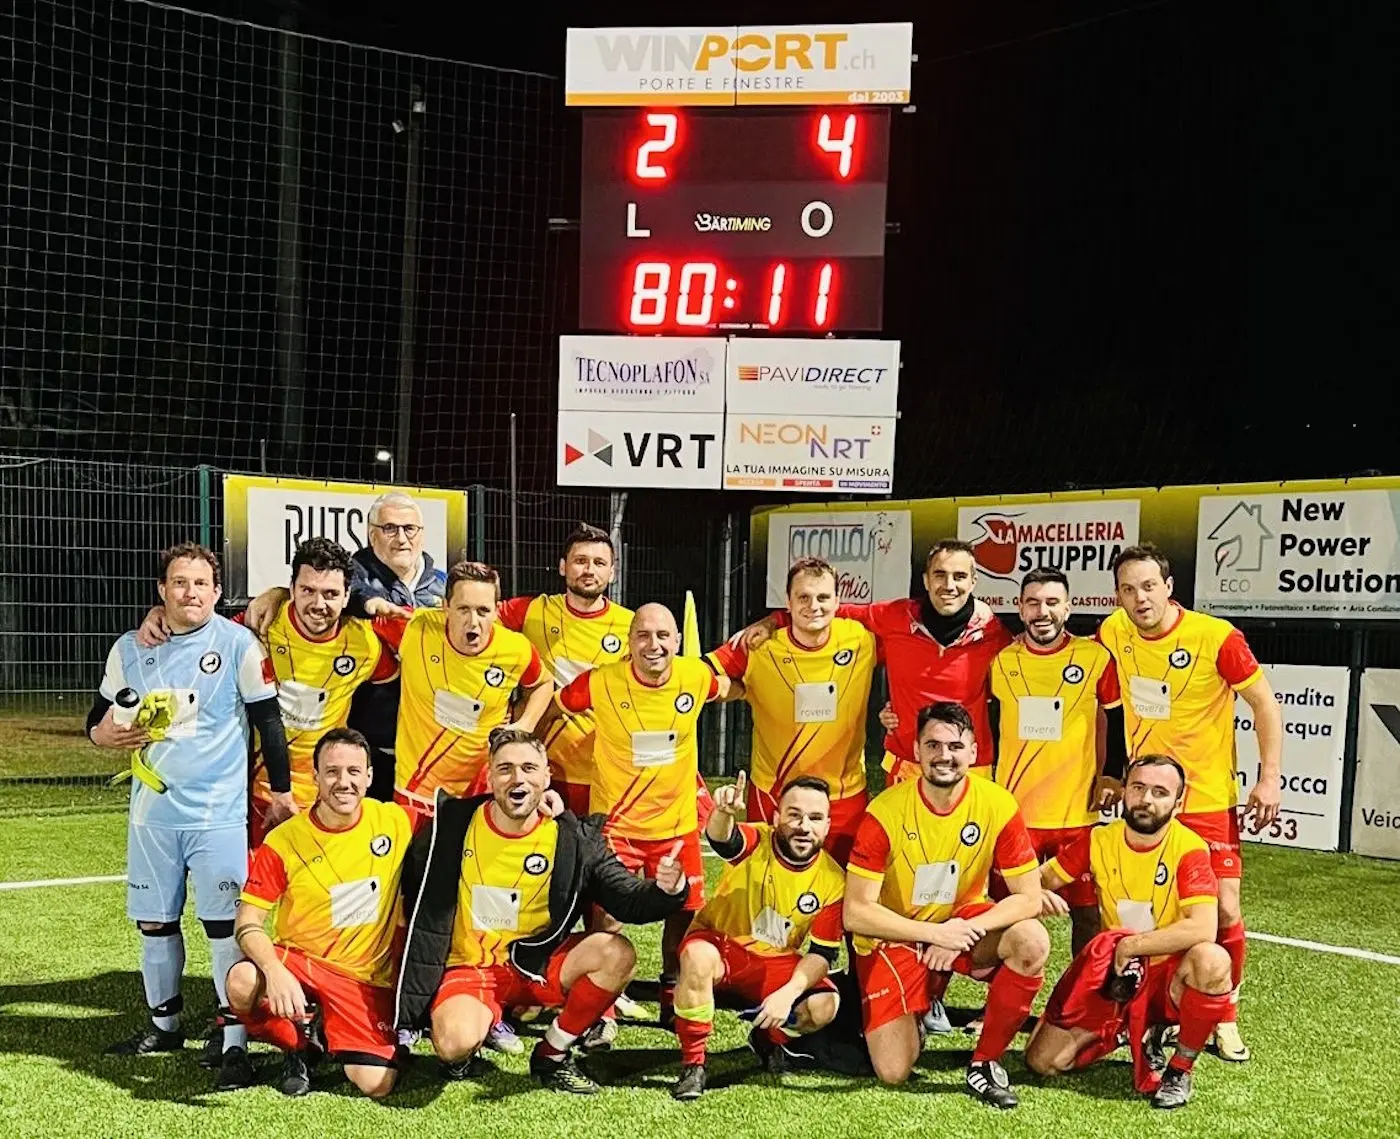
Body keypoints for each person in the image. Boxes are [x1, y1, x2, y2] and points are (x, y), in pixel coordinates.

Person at [87, 542, 292, 1089]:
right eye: (179, 582)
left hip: (218, 815)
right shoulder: (131, 647)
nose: (190, 592)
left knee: (224, 928)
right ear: (162, 590)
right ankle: (164, 1026)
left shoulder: (237, 644)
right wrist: (99, 733)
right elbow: (99, 713)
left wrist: (282, 790)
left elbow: (269, 722)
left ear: (217, 591)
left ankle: (232, 1039)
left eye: (201, 583)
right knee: (154, 923)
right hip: (152, 816)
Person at [393, 728, 690, 1094]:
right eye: (505, 769)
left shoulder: (574, 838)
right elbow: (406, 883)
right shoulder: (452, 825)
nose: (518, 778)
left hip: (536, 963)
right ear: (489, 775)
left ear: (547, 776)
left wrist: (668, 889)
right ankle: (484, 1022)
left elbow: (627, 897)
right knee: (452, 1046)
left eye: (529, 769)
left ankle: (552, 1053)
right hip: (473, 968)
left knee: (617, 953)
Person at [1098, 543, 1283, 1061]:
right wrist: (1111, 772)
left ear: (1169, 587)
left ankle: (1224, 1013)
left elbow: (1265, 703)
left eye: (1149, 587)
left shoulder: (1215, 637)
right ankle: (1153, 1011)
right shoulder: (1113, 632)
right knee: (1152, 910)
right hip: (1147, 800)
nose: (1139, 599)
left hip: (1204, 800)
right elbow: (1101, 702)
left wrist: (1268, 780)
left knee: (1223, 910)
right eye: (1128, 590)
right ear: (1117, 595)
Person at [844, 701, 1049, 1109]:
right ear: (916, 751)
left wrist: (960, 934)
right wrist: (934, 934)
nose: (944, 756)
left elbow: (1028, 897)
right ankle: (916, 1004)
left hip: (960, 927)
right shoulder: (884, 812)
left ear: (973, 752)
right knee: (893, 1071)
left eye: (955, 746)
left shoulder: (998, 804)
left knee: (1031, 941)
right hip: (897, 935)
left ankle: (985, 1062)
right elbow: (857, 912)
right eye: (933, 745)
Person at [1026, 755, 1234, 1110]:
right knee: (1043, 1061)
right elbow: (1039, 878)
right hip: (1116, 978)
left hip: (1168, 979)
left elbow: (1203, 926)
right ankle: (1127, 1030)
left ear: (1178, 802)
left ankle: (1180, 1069)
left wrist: (1134, 945)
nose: (1146, 800)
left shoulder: (1190, 849)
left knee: (1212, 960)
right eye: (1138, 788)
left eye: (1160, 792)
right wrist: (1036, 893)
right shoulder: (1098, 840)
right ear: (1124, 790)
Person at [556, 603, 728, 1029]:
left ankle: (673, 996)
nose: (654, 645)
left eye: (663, 636)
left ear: (678, 642)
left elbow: (727, 685)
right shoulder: (601, 681)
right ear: (629, 643)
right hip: (616, 827)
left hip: (676, 827)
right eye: (643, 636)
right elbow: (561, 701)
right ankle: (603, 1012)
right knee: (606, 919)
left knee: (684, 920)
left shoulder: (696, 677)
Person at [228, 727, 412, 1098]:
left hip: (363, 977)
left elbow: (461, 820)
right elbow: (247, 923)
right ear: (315, 777)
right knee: (242, 981)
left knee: (377, 1084)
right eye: (332, 772)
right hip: (300, 961)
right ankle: (297, 1045)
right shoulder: (283, 840)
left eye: (353, 772)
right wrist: (275, 971)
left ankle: (325, 1030)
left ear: (370, 777)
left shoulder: (396, 821)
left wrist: (542, 805)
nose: (343, 782)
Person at [738, 540, 1012, 786]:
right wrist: (773, 621)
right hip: (907, 763)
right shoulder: (895, 616)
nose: (949, 585)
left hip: (971, 766)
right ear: (926, 580)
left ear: (974, 582)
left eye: (960, 576)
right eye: (940, 575)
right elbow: (825, 610)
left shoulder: (995, 635)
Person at [244, 491, 448, 803]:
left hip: (424, 745)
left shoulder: (443, 587)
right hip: (361, 747)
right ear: (371, 533)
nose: (401, 538)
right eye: (390, 528)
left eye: (410, 529)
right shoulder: (354, 578)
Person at [671, 771, 844, 1101]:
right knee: (696, 957)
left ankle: (768, 1039)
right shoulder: (758, 840)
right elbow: (725, 840)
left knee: (825, 1005)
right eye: (793, 815)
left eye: (815, 818)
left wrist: (789, 993)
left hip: (774, 961)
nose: (803, 826)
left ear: (827, 825)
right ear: (777, 817)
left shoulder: (834, 880)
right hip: (722, 945)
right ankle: (693, 1065)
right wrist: (722, 813)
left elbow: (822, 954)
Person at [987, 567, 1125, 954]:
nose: (1042, 612)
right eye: (1032, 602)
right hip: (1017, 814)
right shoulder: (1000, 660)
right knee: (1012, 914)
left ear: (1068, 607)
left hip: (1077, 814)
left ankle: (1083, 1007)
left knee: (1087, 914)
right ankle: (1005, 1009)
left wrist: (1113, 774)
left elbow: (1116, 718)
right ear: (1019, 608)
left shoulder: (1096, 657)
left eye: (1051, 602)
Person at [707, 556, 876, 865]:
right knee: (767, 884)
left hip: (844, 795)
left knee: (842, 892)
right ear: (788, 601)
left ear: (838, 601)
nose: (814, 606)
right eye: (803, 597)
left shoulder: (862, 640)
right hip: (775, 792)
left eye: (823, 597)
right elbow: (701, 674)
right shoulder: (758, 645)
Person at [392, 560, 551, 833]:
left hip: (481, 794)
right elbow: (355, 625)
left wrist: (525, 724)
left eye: (483, 611)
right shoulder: (415, 629)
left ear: (496, 612)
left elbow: (543, 683)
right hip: (416, 791)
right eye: (463, 609)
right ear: (445, 606)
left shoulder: (515, 650)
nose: (473, 621)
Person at [496, 523, 633, 817]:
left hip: (601, 770)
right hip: (541, 768)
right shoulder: (533, 611)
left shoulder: (632, 627)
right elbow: (471, 616)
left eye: (599, 563)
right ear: (562, 567)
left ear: (612, 573)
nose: (589, 570)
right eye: (580, 561)